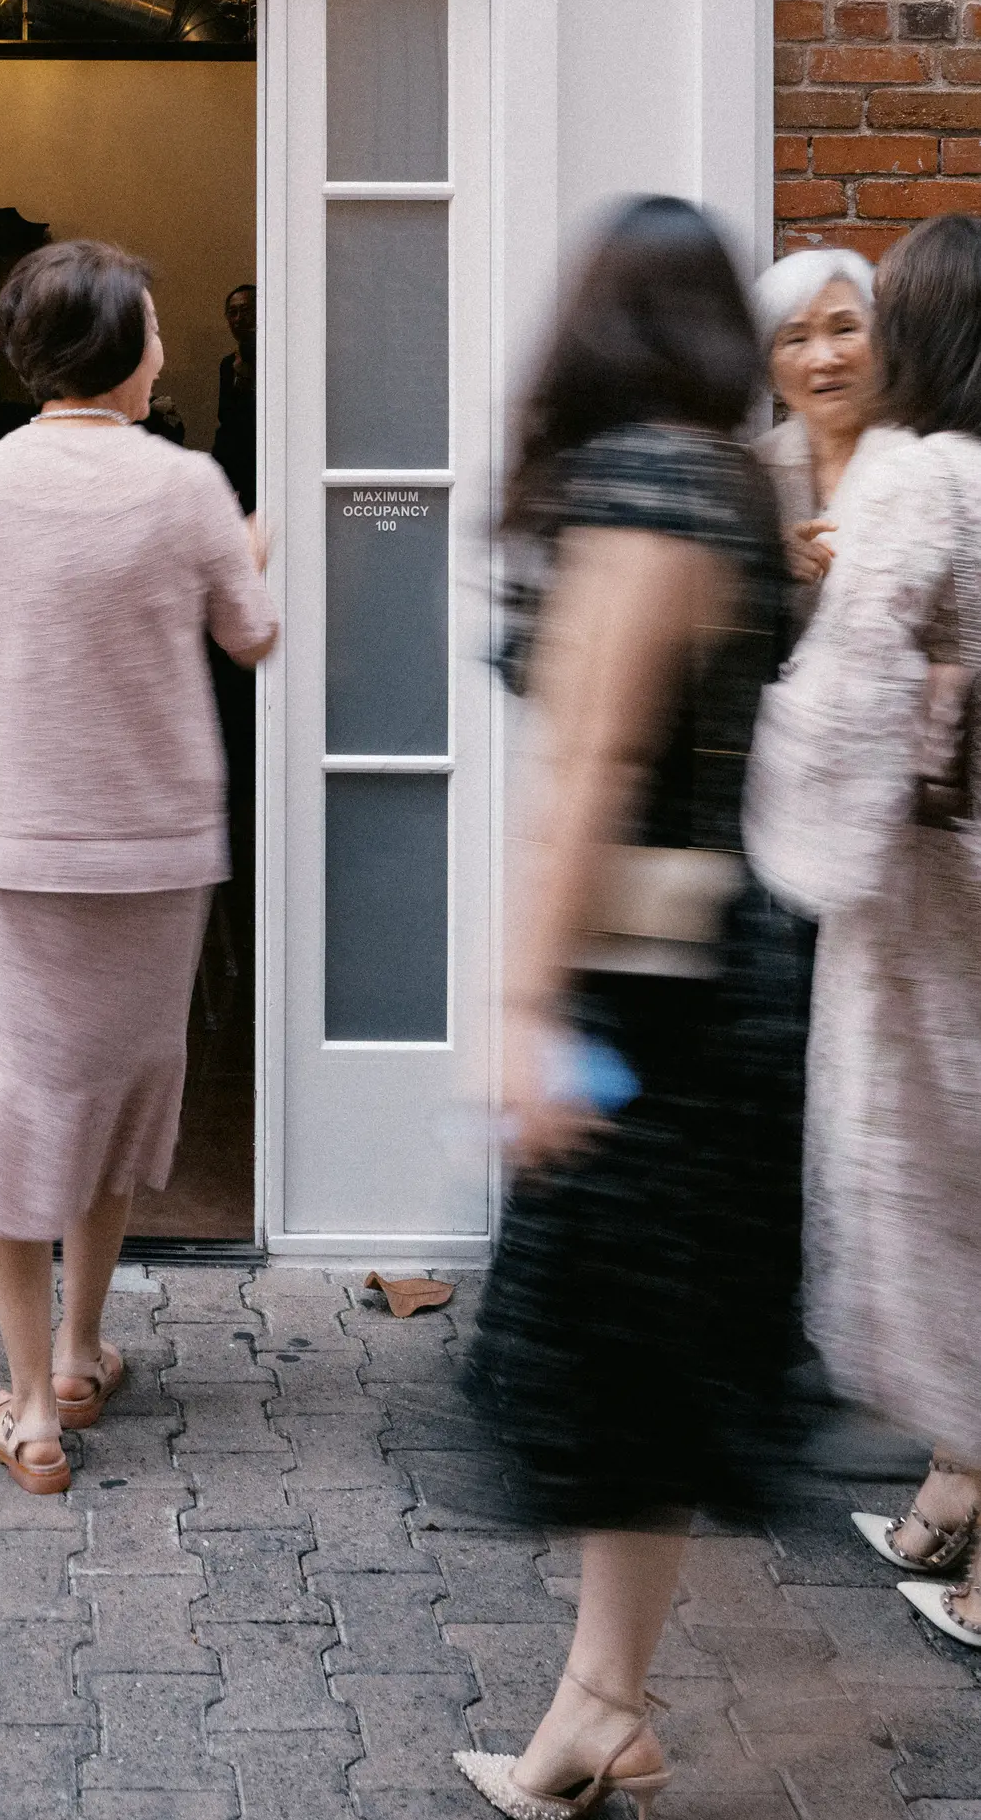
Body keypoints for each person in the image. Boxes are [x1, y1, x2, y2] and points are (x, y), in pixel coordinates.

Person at [456, 197, 801, 1819]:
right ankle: (603, 1708)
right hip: (721, 976)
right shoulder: (733, 483)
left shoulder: (643, 491)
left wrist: (520, 1007)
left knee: (595, 1364)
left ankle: (597, 1711)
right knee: (643, 1372)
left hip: (633, 994)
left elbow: (588, 767)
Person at [0, 240, 276, 1492]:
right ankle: (88, 1351)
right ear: (126, 351)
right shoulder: (190, 484)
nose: (160, 345)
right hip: (157, 852)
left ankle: (34, 1408)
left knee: (16, 1095)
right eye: (151, 326)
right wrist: (257, 544)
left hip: (12, 849)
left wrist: (2, 613)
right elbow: (250, 637)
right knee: (116, 1090)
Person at [745, 213, 981, 1651]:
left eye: (879, 311)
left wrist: (778, 804)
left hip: (943, 897)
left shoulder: (920, 477)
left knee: (949, 1180)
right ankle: (954, 1488)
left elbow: (846, 704)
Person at [751, 247, 880, 602]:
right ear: (770, 367)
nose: (824, 359)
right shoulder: (752, 473)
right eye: (796, 338)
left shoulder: (924, 459)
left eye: (845, 329)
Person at [213, 282, 257, 515]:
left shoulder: (277, 360)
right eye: (233, 313)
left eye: (247, 311)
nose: (239, 319)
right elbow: (227, 420)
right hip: (236, 466)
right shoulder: (228, 364)